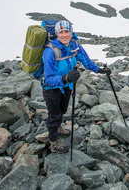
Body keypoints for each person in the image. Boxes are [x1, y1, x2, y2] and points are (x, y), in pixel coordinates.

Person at [41, 20, 111, 153]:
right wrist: (66, 78)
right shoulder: (50, 51)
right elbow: (48, 78)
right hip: (51, 88)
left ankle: (58, 127)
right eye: (61, 32)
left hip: (66, 86)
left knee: (62, 109)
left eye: (67, 31)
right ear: (57, 34)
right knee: (54, 114)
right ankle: (53, 141)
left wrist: (100, 70)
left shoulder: (74, 45)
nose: (65, 35)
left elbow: (86, 61)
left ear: (71, 32)